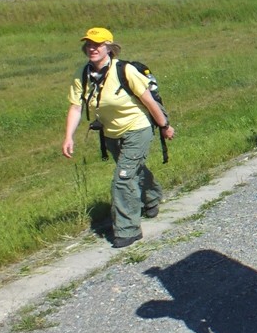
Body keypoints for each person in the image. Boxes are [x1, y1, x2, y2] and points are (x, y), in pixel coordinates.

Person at [62, 27, 174, 248]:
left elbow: (149, 101)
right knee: (132, 170)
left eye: (97, 45)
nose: (92, 48)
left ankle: (127, 230)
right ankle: (152, 197)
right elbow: (76, 107)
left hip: (137, 128)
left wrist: (164, 125)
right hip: (111, 133)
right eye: (89, 45)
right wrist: (68, 137)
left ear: (109, 48)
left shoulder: (125, 70)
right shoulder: (82, 74)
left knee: (122, 179)